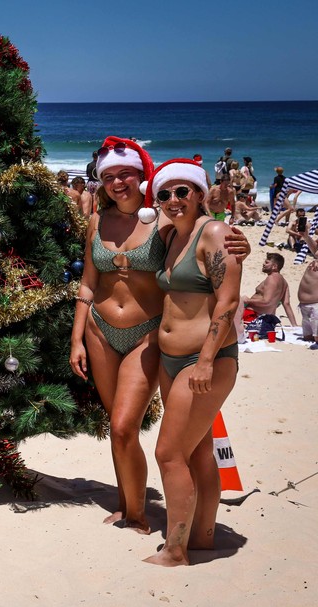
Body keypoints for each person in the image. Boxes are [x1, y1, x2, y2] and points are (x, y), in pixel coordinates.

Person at [70, 137, 249, 534]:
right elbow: (87, 283)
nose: (118, 183)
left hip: (146, 335)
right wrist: (76, 338)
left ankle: (139, 516)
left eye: (126, 174)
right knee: (118, 430)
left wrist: (241, 244)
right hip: (99, 330)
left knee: (124, 426)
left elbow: (202, 238)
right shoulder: (97, 221)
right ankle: (128, 506)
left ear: (141, 176)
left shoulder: (164, 219)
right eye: (109, 176)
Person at [145, 159, 242, 567]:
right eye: (165, 194)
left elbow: (228, 301)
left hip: (205, 360)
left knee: (168, 454)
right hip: (172, 360)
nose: (173, 200)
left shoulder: (214, 233)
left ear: (200, 194)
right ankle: (202, 538)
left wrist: (204, 361)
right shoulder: (170, 235)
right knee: (199, 450)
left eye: (182, 191)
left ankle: (175, 550)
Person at [234, 252, 298, 341]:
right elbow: (286, 304)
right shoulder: (284, 282)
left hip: (252, 316)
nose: (263, 264)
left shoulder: (271, 278)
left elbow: (267, 301)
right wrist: (294, 326)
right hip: (265, 319)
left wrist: (247, 300)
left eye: (267, 262)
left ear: (274, 266)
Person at [287, 227, 318, 342]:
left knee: (316, 337)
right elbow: (315, 251)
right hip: (305, 305)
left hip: (316, 306)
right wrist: (306, 236)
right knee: (308, 337)